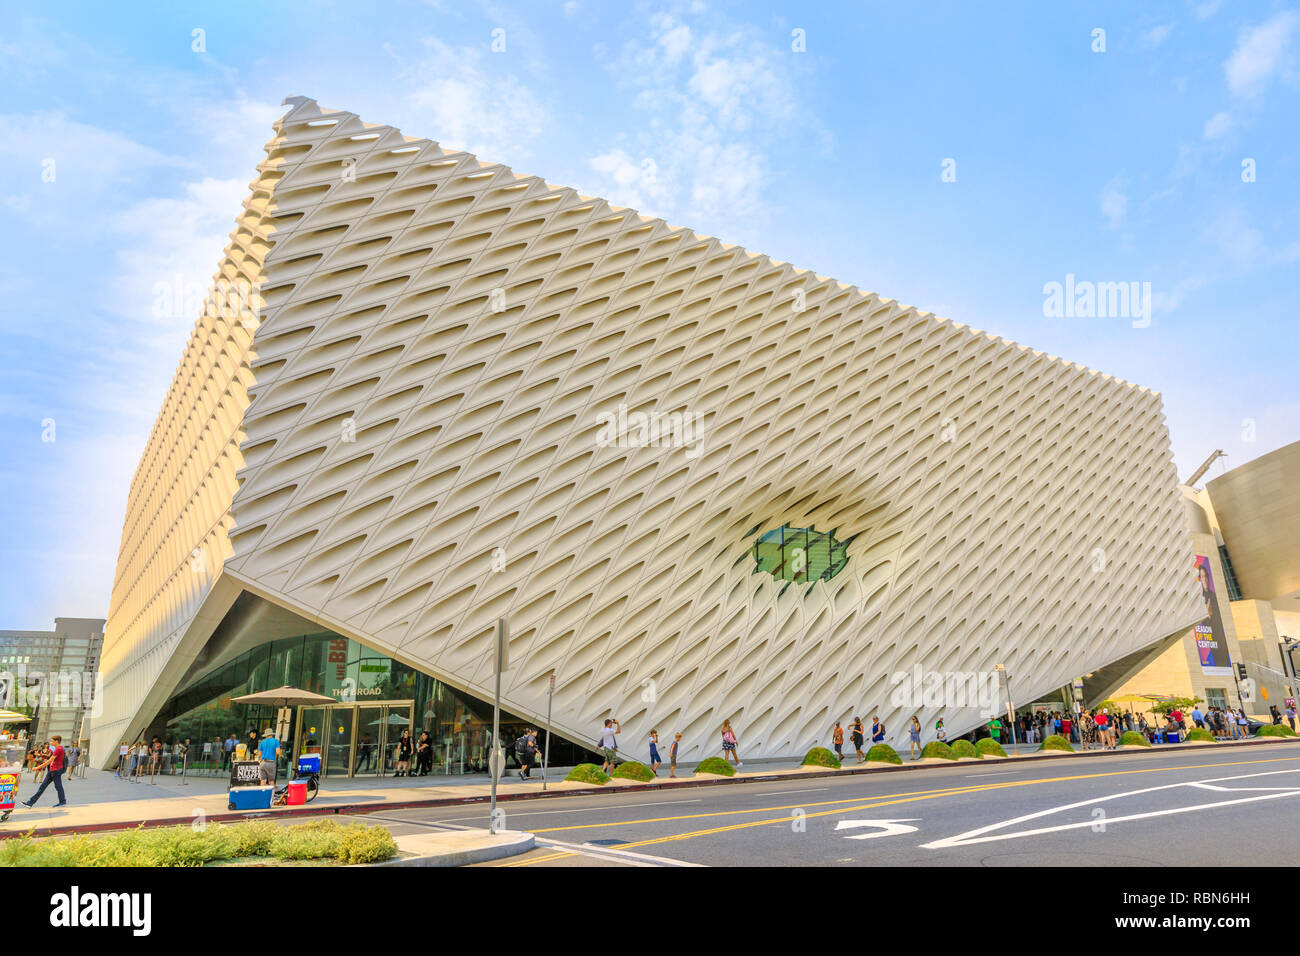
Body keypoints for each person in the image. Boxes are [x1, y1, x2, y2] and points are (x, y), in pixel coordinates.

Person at [21, 735, 67, 808]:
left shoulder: (59, 749)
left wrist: (37, 768)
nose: (50, 742)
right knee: (43, 787)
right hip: (52, 770)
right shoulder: (58, 749)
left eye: (52, 741)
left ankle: (63, 801)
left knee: (58, 786)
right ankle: (30, 803)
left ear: (56, 741)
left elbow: (49, 761)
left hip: (56, 771)